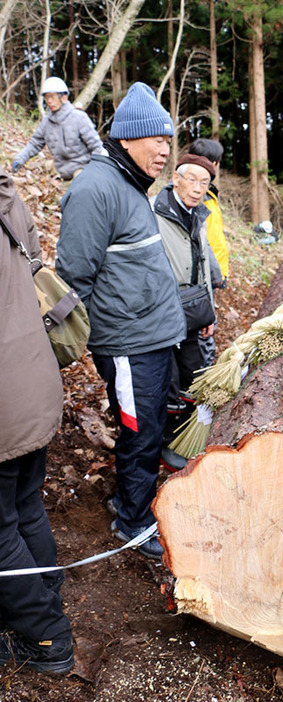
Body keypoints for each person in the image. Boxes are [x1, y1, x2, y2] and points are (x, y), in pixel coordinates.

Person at [55, 82, 186, 560]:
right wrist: (76, 349)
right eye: (158, 141)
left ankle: (133, 499)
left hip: (154, 338)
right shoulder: (96, 189)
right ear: (130, 138)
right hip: (128, 345)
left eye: (169, 142)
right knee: (139, 432)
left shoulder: (130, 183)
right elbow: (73, 280)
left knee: (151, 427)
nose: (165, 151)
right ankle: (133, 522)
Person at [0, 165, 74, 673]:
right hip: (33, 378)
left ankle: (48, 638)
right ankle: (44, 588)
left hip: (5, 399)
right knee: (25, 502)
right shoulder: (7, 192)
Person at [153, 153, 218, 471]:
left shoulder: (200, 215)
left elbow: (206, 266)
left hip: (195, 311)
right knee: (168, 381)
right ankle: (165, 444)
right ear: (175, 178)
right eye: (191, 179)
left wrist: (211, 314)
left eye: (204, 183)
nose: (197, 188)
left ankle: (185, 439)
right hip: (163, 311)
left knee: (194, 379)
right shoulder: (153, 212)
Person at [12, 76, 103, 188]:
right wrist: (19, 159)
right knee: (66, 203)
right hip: (64, 175)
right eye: (47, 97)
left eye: (52, 97)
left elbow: (96, 146)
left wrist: (97, 170)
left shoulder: (79, 117)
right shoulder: (46, 123)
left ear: (63, 97)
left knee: (80, 197)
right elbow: (34, 144)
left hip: (84, 171)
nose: (49, 101)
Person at [188, 138, 229, 367]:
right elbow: (203, 243)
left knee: (207, 325)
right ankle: (203, 379)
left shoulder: (209, 195)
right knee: (205, 326)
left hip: (213, 273)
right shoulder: (198, 196)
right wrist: (216, 275)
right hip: (204, 275)